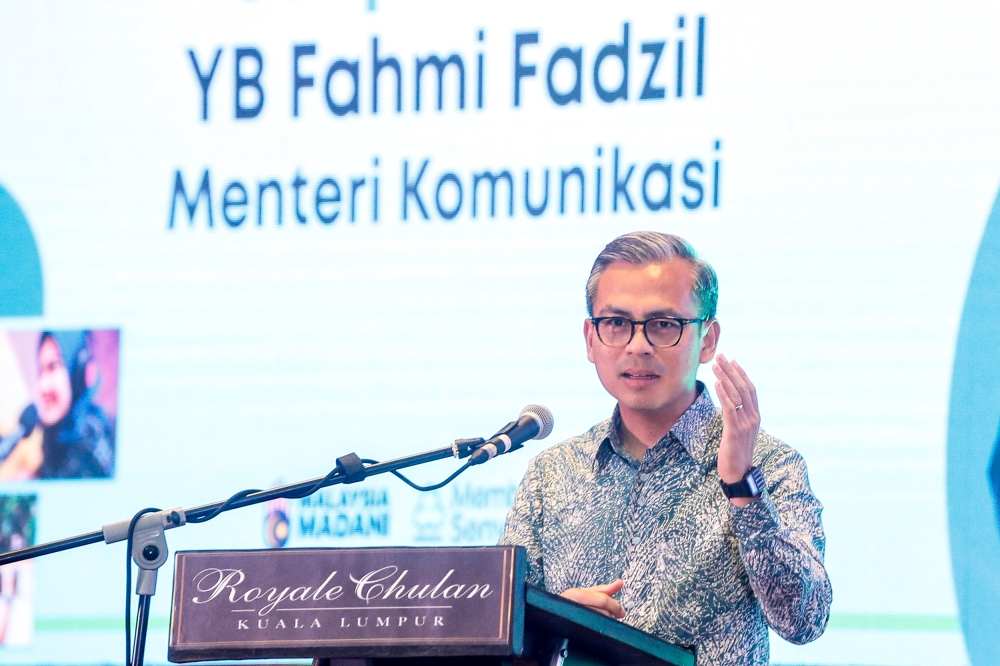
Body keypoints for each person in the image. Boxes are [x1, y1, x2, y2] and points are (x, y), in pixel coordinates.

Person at [498, 232, 831, 665]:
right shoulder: (552, 474)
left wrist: (742, 486)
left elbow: (805, 619)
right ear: (590, 338)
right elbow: (502, 636)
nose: (638, 345)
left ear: (707, 340)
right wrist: (554, 621)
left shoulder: (768, 463)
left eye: (663, 325)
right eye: (616, 323)